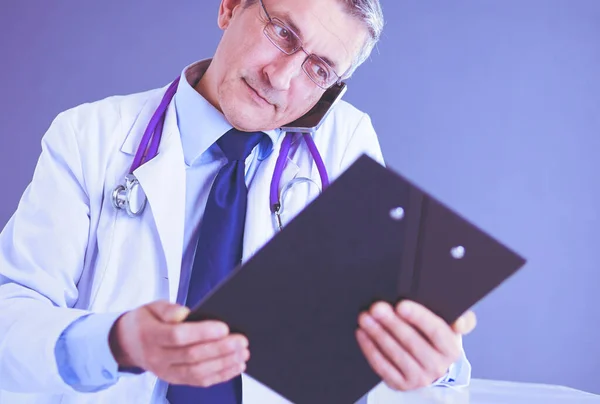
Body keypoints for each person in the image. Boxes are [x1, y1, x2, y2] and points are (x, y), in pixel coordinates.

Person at [0, 0, 476, 402]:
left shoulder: (343, 143)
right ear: (230, 6)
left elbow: (393, 334)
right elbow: (11, 315)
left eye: (319, 70)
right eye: (283, 33)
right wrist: (117, 343)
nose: (282, 78)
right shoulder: (90, 136)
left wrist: (430, 363)